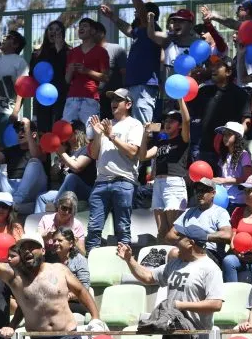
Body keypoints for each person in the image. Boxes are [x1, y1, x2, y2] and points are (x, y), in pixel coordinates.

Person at [86, 89, 143, 252]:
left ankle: (124, 265)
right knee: (93, 229)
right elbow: (95, 154)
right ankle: (91, 267)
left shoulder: (135, 124)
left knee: (122, 229)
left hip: (124, 181)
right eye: (112, 100)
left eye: (118, 100)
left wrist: (111, 135)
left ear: (128, 104)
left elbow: (133, 151)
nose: (113, 103)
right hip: (101, 182)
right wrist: (98, 135)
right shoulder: (105, 125)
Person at [100, 0, 161, 124]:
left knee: (142, 126)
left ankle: (144, 147)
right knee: (132, 125)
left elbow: (142, 12)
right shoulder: (139, 32)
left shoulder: (152, 30)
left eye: (137, 13)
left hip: (144, 87)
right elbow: (127, 29)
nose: (135, 15)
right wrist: (112, 17)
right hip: (132, 85)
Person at [139, 99, 191, 242]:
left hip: (174, 183)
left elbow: (187, 121)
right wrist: (145, 134)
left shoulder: (183, 140)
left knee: (173, 232)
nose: (167, 123)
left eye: (172, 121)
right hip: (158, 184)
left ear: (179, 125)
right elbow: (143, 156)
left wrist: (180, 99)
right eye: (166, 121)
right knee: (161, 232)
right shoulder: (161, 142)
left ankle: (178, 261)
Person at [187, 57, 252, 171]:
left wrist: (234, 139)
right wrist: (191, 81)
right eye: (213, 66)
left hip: (228, 151)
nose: (213, 69)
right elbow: (189, 112)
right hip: (205, 149)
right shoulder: (203, 91)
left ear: (228, 72)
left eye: (218, 66)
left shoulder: (240, 94)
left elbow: (246, 122)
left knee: (225, 186)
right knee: (202, 185)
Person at [0, 118, 48, 209]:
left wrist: (28, 128)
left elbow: (36, 155)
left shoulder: (41, 149)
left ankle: (15, 202)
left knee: (34, 162)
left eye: (23, 130)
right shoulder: (12, 149)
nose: (20, 133)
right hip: (11, 188)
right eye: (18, 131)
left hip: (32, 189)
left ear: (33, 134)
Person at [33, 121, 95, 213]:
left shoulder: (87, 149)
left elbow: (78, 167)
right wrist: (57, 165)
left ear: (75, 133)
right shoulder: (67, 152)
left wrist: (62, 152)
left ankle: (56, 205)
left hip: (85, 190)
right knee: (42, 198)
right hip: (67, 192)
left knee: (72, 177)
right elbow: (54, 175)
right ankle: (41, 225)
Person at [172, 178, 233, 267]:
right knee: (171, 253)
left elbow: (227, 234)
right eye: (197, 191)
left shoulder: (220, 212)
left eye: (203, 191)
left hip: (209, 252)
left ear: (213, 193)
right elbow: (170, 235)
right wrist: (186, 240)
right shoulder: (189, 211)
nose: (199, 194)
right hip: (187, 248)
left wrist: (204, 236)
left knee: (176, 254)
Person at [62, 18, 110, 124]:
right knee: (66, 131)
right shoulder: (72, 52)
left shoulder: (101, 52)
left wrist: (87, 71)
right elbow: (66, 80)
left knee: (90, 133)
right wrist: (70, 70)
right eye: (80, 26)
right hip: (72, 97)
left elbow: (106, 77)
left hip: (91, 98)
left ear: (93, 31)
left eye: (85, 26)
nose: (81, 28)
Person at [0, 30, 29, 148]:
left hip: (7, 112)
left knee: (6, 147)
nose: (4, 38)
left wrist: (15, 111)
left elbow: (23, 88)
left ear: (15, 44)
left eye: (9, 37)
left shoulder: (20, 62)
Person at [30, 20, 70, 131]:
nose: (54, 32)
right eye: (51, 29)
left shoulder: (68, 51)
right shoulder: (37, 53)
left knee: (58, 128)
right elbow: (32, 75)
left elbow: (64, 71)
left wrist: (59, 49)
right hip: (42, 96)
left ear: (62, 33)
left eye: (57, 30)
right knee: (43, 130)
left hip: (61, 95)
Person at [48, 228, 91, 315]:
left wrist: (68, 296)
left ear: (71, 243)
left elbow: (84, 286)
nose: (56, 243)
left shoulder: (79, 260)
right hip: (54, 300)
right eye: (54, 240)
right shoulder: (49, 259)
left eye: (60, 240)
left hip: (76, 302)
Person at [213, 120, 252, 210]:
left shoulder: (244, 155)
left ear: (238, 137)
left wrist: (223, 181)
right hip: (224, 199)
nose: (225, 137)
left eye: (229, 134)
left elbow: (247, 178)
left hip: (238, 201)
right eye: (224, 134)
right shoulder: (224, 155)